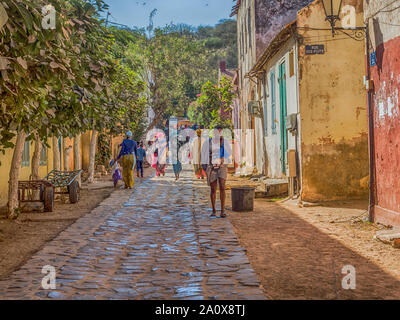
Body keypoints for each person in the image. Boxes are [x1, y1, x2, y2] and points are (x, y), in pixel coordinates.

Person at [204, 126, 228, 218]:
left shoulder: (225, 142)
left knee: (222, 186)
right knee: (213, 189)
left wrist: (223, 159)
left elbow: (229, 154)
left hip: (222, 166)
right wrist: (205, 167)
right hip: (212, 167)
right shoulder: (209, 142)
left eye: (220, 132)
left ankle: (222, 210)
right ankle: (214, 210)